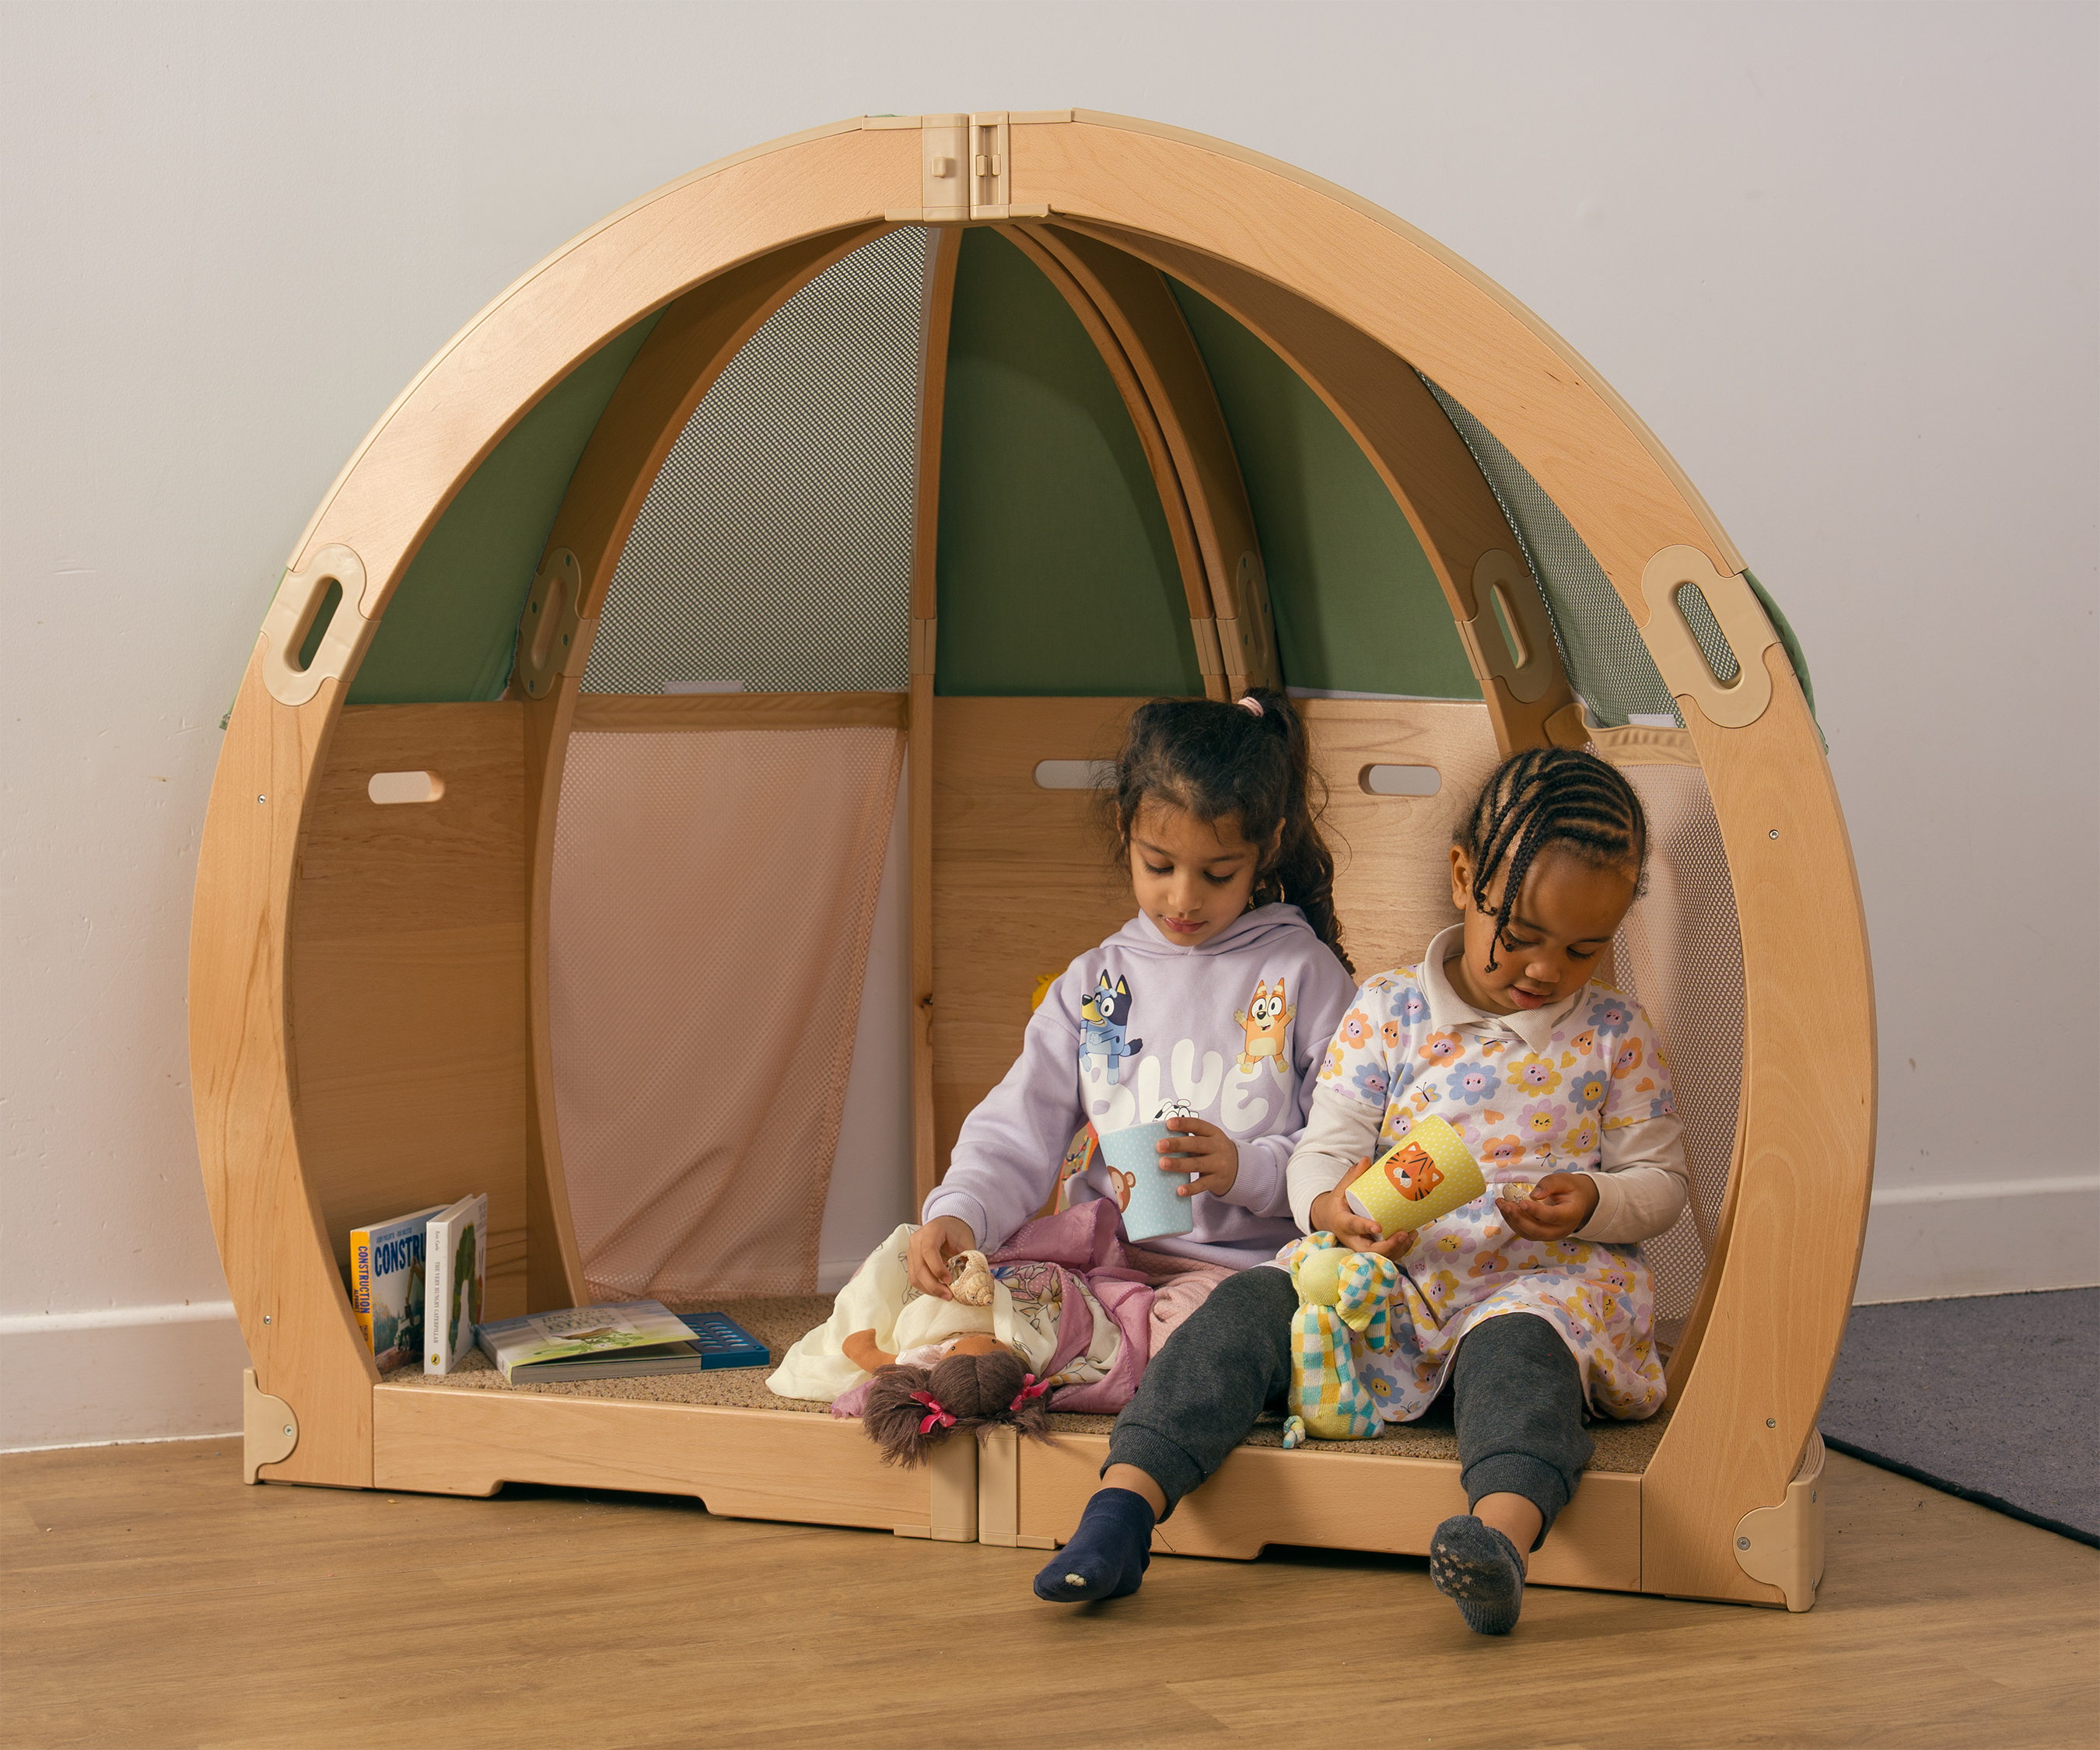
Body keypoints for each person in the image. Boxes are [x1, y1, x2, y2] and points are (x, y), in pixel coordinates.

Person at [1040, 746, 1689, 1636]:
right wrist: (1330, 1208)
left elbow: (1660, 1184)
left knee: (1520, 1359)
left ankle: (1495, 1542)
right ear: (1465, 879)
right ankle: (1118, 1513)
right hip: (1394, 1280)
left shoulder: (1614, 1033)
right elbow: (1324, 1149)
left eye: (1584, 948)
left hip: (1537, 1286)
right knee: (1247, 1309)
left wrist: (1594, 1199)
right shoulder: (1389, 1011)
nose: (1546, 969)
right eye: (1525, 935)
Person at [906, 687, 1357, 1332]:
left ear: (1268, 848)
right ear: (1126, 829)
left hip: (1250, 1271)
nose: (1184, 898)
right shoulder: (1094, 985)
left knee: (1206, 1339)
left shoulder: (1304, 975)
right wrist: (960, 1211)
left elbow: (1347, 1143)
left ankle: (1122, 1365)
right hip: (1105, 1259)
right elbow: (1016, 1126)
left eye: (1218, 874)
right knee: (946, 1304)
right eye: (1159, 864)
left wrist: (1244, 1169)